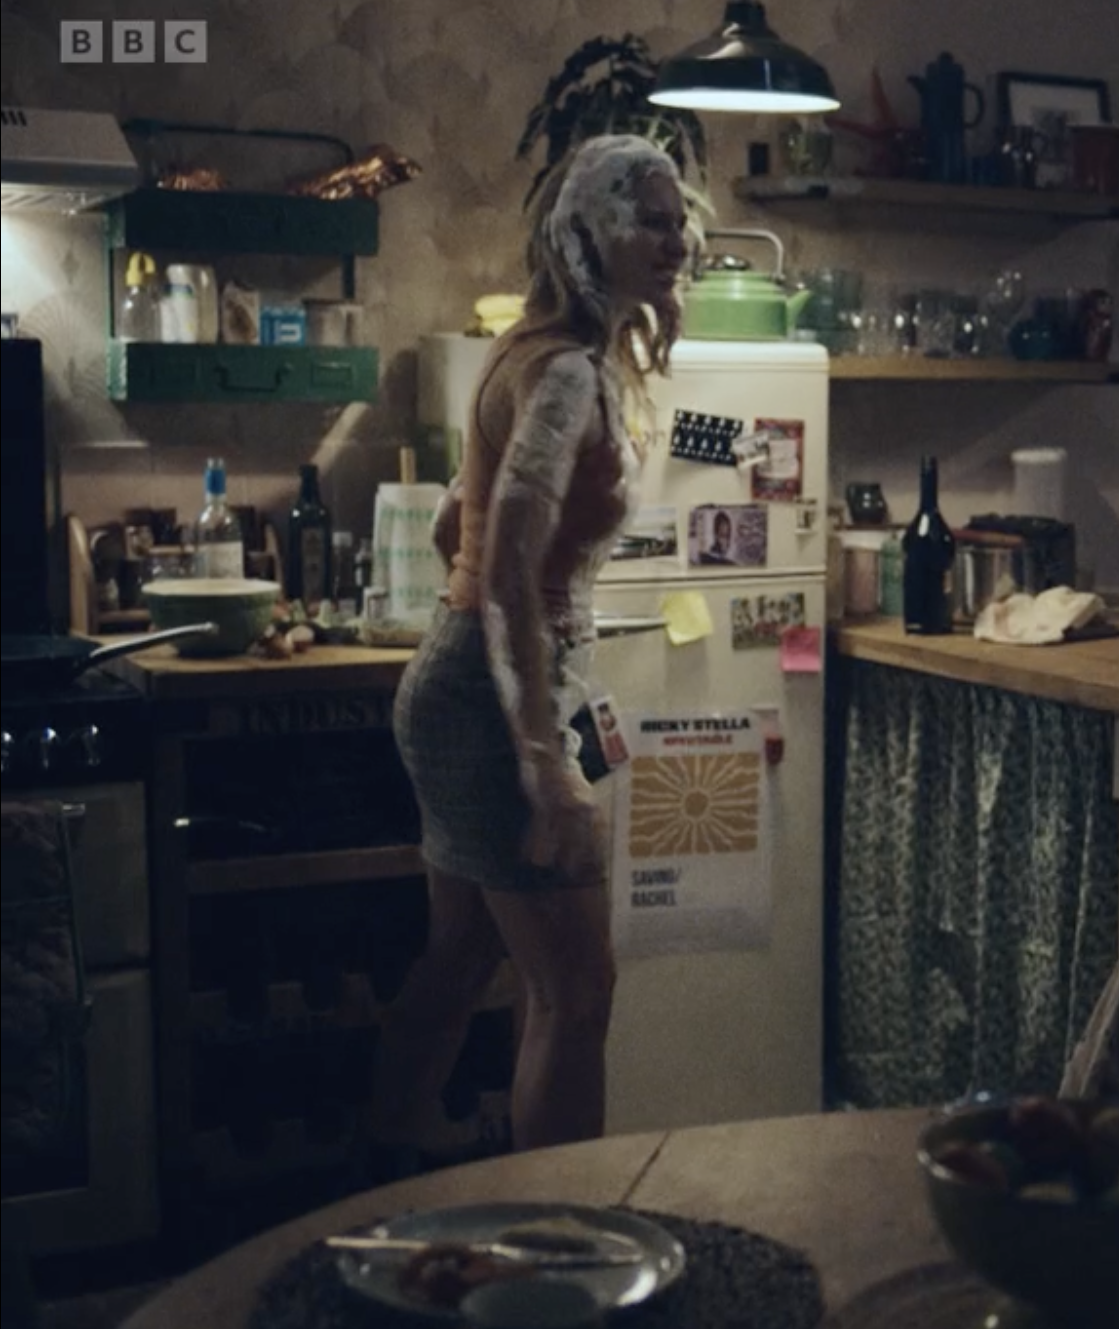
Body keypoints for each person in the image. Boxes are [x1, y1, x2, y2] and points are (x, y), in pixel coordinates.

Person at [373, 136, 688, 1158]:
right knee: (576, 992)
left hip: (461, 681)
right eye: (649, 220)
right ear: (587, 233)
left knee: (461, 960)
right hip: (502, 703)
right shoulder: (566, 375)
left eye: (678, 221)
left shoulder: (524, 349)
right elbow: (506, 564)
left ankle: (377, 1180)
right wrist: (545, 761)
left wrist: (499, 629)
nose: (675, 241)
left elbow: (451, 526)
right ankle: (565, 1227)